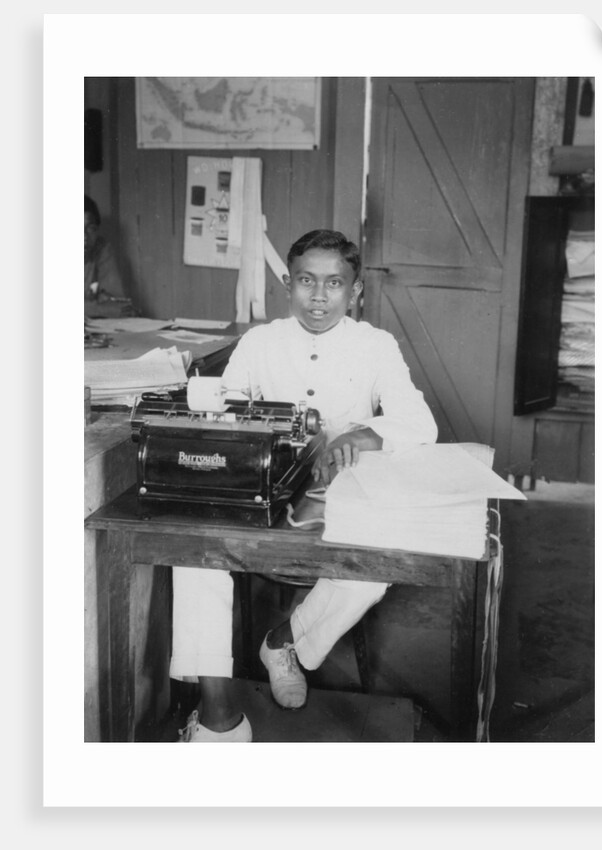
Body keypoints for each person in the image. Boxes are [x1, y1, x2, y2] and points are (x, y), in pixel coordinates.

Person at [173, 229, 439, 742]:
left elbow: (418, 422)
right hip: (262, 486)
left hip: (339, 492)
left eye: (334, 284)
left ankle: (284, 641)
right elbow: (226, 405)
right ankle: (218, 715)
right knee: (194, 549)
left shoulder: (375, 345)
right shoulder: (260, 341)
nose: (318, 297)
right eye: (305, 282)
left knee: (373, 567)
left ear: (356, 291)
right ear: (288, 285)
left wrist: (367, 433)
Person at [84, 194, 132, 317]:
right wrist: (99, 307)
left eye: (90, 228)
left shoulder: (100, 248)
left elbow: (119, 304)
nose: (84, 237)